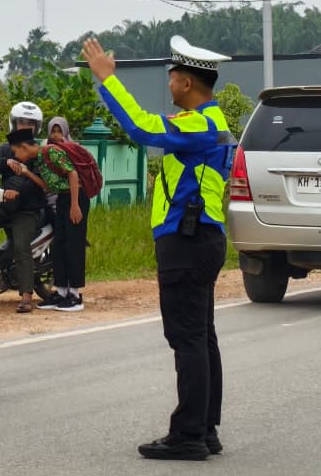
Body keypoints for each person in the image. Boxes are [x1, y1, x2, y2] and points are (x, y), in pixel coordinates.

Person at [83, 34, 232, 462]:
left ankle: (189, 435)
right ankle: (205, 429)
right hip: (200, 238)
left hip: (187, 242)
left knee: (187, 339)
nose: (168, 86)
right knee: (201, 339)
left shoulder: (199, 125)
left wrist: (108, 81)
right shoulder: (210, 122)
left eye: (172, 79)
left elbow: (141, 127)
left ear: (186, 82)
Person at [0, 126, 48, 312]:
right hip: (4, 205)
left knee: (21, 246)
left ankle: (26, 296)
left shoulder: (41, 157)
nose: (16, 153)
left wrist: (18, 192)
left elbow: (39, 184)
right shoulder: (7, 149)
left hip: (27, 211)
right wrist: (7, 162)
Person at [36, 116, 89, 312]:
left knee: (73, 245)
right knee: (59, 245)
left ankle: (75, 295)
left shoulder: (69, 149)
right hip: (62, 199)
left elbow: (73, 175)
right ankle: (61, 291)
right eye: (53, 131)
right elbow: (50, 183)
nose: (56, 135)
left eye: (60, 131)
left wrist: (75, 205)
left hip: (77, 197)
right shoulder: (50, 150)